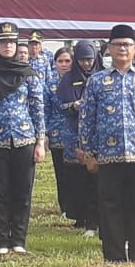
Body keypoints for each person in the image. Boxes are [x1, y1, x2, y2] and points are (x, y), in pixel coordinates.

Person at [80, 24, 135, 263]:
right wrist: (88, 154)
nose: (122, 49)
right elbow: (87, 119)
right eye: (117, 45)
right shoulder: (97, 81)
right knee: (110, 206)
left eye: (127, 45)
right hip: (109, 156)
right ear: (109, 49)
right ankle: (115, 257)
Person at [0, 22, 45, 256]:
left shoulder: (28, 74)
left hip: (24, 139)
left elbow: (37, 109)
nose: (7, 46)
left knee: (22, 192)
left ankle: (18, 239)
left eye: (11, 42)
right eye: (3, 42)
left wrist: (40, 142)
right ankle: (1, 240)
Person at [57, 41, 100, 236]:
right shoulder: (68, 79)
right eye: (82, 60)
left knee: (96, 179)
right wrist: (73, 105)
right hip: (74, 135)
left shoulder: (101, 77)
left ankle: (95, 219)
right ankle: (81, 217)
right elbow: (60, 105)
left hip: (97, 136)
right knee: (77, 180)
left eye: (89, 59)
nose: (86, 64)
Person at [45, 46, 73, 219]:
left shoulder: (79, 81)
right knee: (61, 173)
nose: (64, 64)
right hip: (56, 134)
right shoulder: (50, 85)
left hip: (75, 134)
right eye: (60, 61)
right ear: (54, 64)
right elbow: (45, 110)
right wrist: (45, 133)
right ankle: (65, 207)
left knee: (75, 173)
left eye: (67, 61)